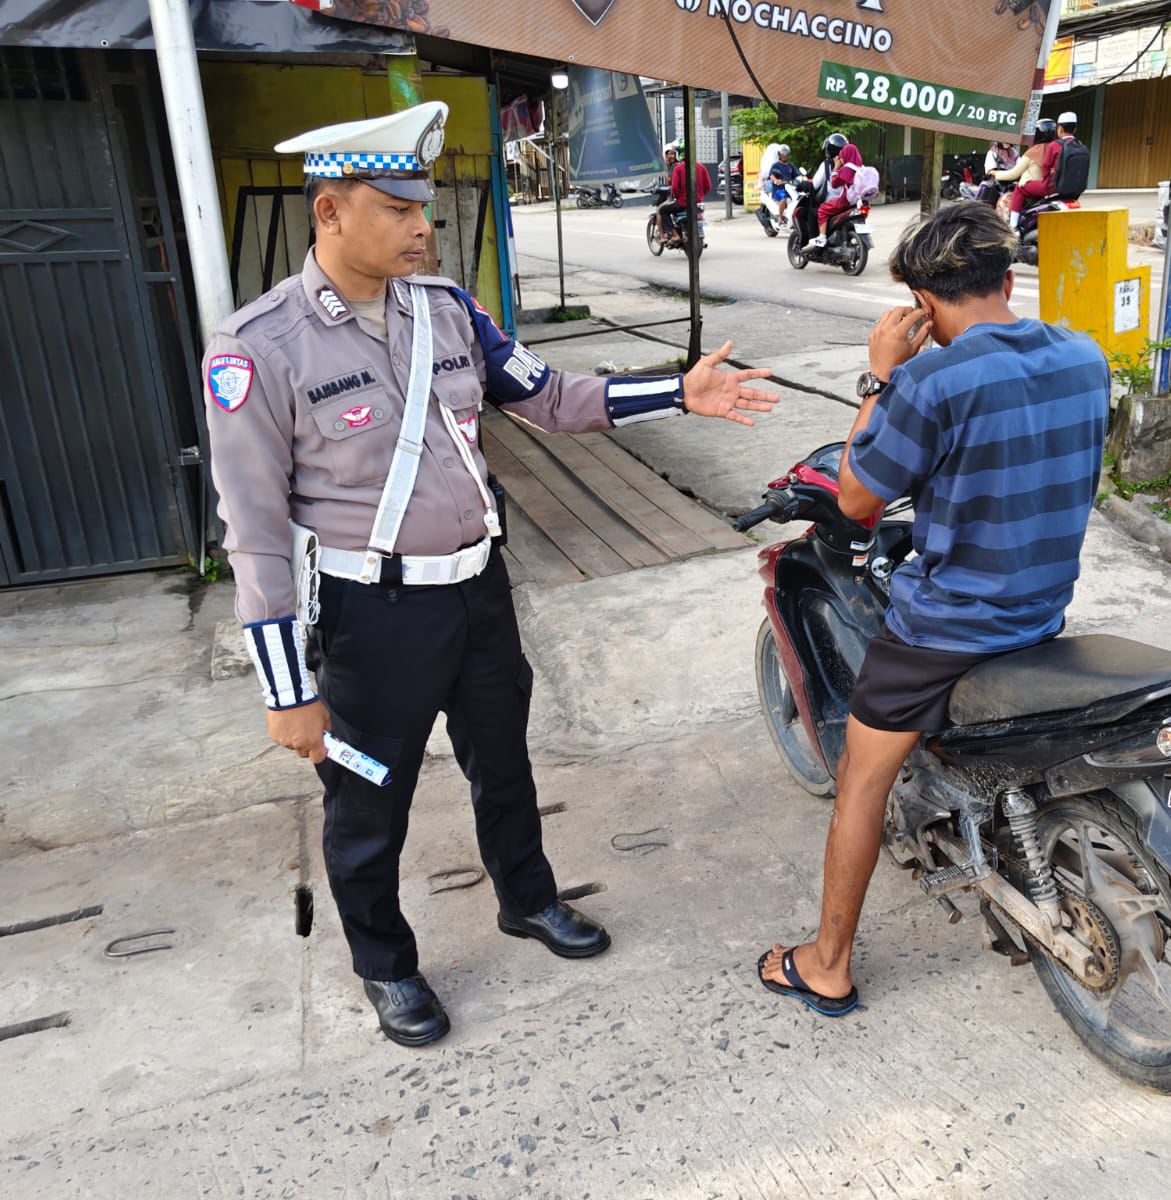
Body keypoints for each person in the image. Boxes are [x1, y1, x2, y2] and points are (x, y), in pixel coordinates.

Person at [207, 102, 781, 1048]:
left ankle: (529, 898)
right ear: (331, 212)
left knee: (503, 764)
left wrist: (679, 390)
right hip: (370, 615)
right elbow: (256, 533)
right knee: (367, 805)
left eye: (422, 207)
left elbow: (552, 402)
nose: (421, 225)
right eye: (395, 207)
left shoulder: (447, 310)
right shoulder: (258, 349)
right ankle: (386, 966)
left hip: (480, 594)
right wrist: (286, 690)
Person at [757, 202, 1109, 1015]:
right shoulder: (1084, 355)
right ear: (1007, 279)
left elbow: (856, 498)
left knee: (858, 780)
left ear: (923, 302)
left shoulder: (929, 379)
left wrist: (882, 374)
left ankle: (827, 964)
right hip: (1044, 607)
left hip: (948, 629)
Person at [992, 118, 1061, 229]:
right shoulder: (1058, 148)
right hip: (1056, 186)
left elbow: (1014, 174)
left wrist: (995, 174)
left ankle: (1013, 226)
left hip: (1040, 187)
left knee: (1019, 188)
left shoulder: (1033, 151)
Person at [809, 141, 864, 248]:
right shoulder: (861, 168)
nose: (841, 158)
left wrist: (836, 167)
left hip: (846, 201)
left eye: (843, 155)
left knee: (822, 210)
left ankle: (822, 237)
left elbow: (834, 183)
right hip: (860, 202)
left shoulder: (847, 168)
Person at [658, 141, 711, 243]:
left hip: (683, 203)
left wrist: (678, 198)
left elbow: (675, 188)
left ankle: (674, 234)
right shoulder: (701, 166)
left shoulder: (678, 168)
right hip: (698, 202)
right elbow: (708, 186)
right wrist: (699, 195)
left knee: (662, 211)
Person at [766, 145, 797, 229]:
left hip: (790, 188)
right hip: (779, 189)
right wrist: (776, 180)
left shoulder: (791, 166)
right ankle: (780, 218)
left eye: (786, 155)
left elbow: (797, 176)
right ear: (779, 155)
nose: (785, 156)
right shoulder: (775, 166)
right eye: (783, 155)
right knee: (783, 199)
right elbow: (771, 176)